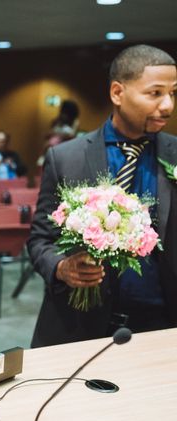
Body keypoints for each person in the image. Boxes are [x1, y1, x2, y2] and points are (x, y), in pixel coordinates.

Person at [28, 44, 177, 348]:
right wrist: (61, 267)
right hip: (79, 324)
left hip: (161, 325)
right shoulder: (65, 157)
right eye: (155, 93)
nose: (168, 106)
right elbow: (40, 240)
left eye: (173, 93)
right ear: (117, 93)